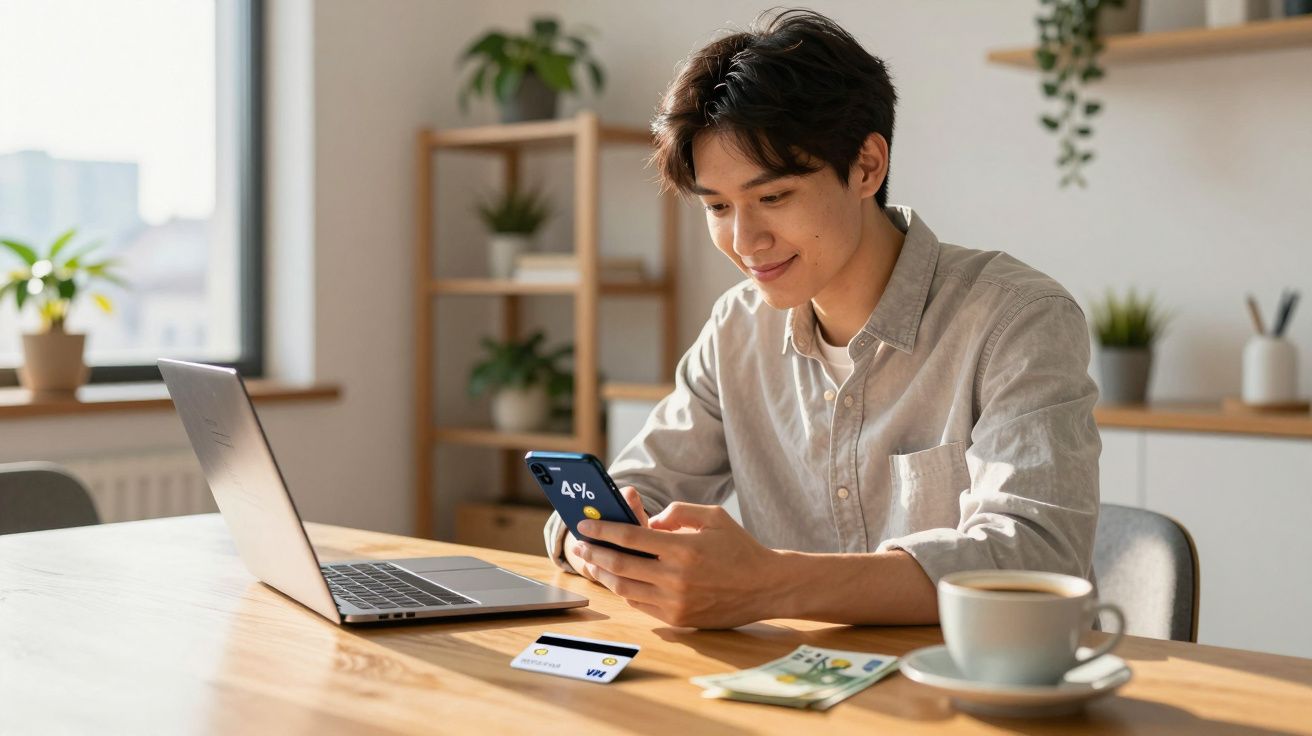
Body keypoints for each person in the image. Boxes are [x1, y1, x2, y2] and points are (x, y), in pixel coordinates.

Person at [541, 8, 1100, 629]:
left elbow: (1034, 557)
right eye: (718, 207)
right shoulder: (737, 329)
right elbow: (638, 485)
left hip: (981, 679)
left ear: (866, 166)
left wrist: (769, 584)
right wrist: (591, 538)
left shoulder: (1016, 320)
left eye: (773, 197)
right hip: (795, 677)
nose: (745, 242)